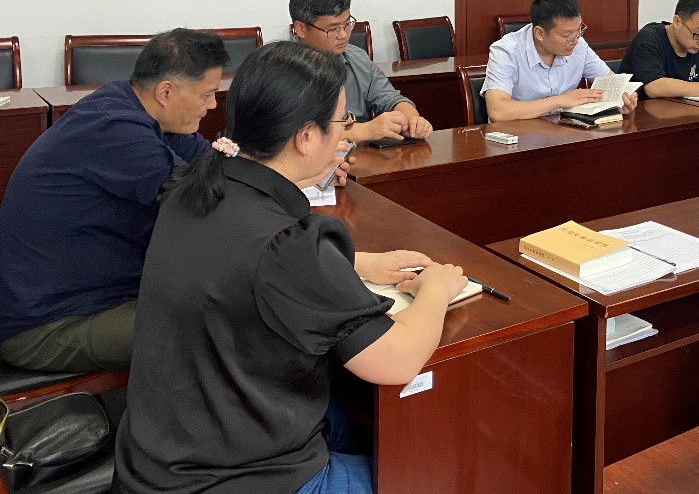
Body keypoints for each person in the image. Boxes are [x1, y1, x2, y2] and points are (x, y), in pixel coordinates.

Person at [113, 41, 467, 494]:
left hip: (164, 450)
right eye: (342, 121)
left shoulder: (196, 184)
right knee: (438, 475)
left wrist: (354, 263)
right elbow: (397, 360)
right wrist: (436, 287)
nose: (346, 134)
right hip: (230, 477)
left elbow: (239, 263)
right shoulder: (288, 246)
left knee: (377, 421)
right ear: (305, 137)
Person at [0, 29, 229, 372]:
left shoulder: (140, 108)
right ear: (166, 92)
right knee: (222, 325)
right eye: (207, 94)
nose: (212, 105)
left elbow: (214, 168)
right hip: (47, 325)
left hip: (100, 293)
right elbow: (201, 201)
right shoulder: (114, 129)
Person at [290, 0, 432, 143]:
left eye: (347, 24)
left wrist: (412, 121)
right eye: (333, 29)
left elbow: (391, 99)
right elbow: (298, 136)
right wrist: (366, 130)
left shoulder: (357, 58)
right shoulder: (281, 69)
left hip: (361, 155)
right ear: (301, 28)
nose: (344, 35)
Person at [483, 0, 637, 123]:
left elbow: (611, 81)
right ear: (540, 33)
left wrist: (624, 98)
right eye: (567, 36)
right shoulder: (506, 51)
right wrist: (559, 101)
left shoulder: (579, 46)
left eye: (578, 31)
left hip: (563, 132)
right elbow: (498, 111)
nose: (575, 41)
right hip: (517, 138)